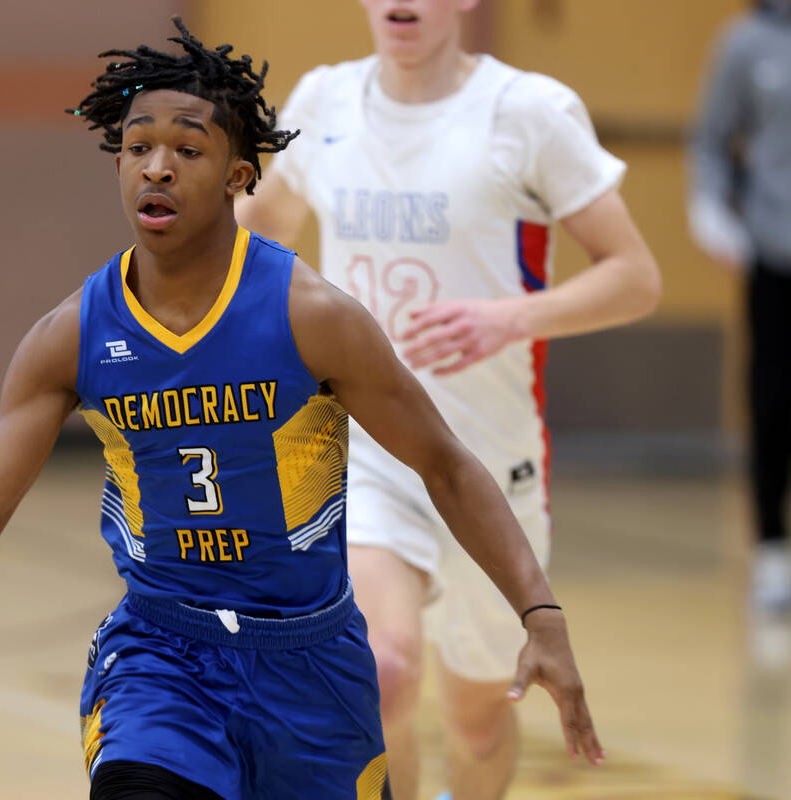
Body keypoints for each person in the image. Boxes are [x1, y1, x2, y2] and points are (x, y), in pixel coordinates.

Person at [0, 18, 602, 800]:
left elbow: (444, 463)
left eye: (188, 151)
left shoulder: (313, 317)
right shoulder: (71, 335)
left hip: (312, 672)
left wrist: (541, 616)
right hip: (162, 655)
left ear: (240, 177)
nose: (157, 170)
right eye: (138, 149)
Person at [236, 1, 660, 798]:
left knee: (476, 716)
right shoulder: (324, 103)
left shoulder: (526, 113)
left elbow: (635, 276)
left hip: (488, 464)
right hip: (364, 450)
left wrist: (508, 318)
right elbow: (258, 234)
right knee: (382, 669)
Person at [688, 0, 791, 616]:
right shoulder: (747, 42)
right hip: (776, 250)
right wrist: (711, 209)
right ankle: (773, 552)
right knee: (775, 400)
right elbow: (710, 138)